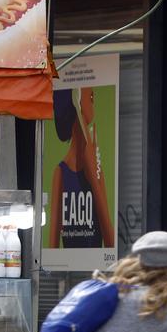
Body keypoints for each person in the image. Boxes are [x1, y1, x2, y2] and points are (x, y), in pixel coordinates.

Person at [48, 87, 115, 249]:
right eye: (91, 96)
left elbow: (111, 245)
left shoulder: (95, 165)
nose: (93, 100)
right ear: (75, 103)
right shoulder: (61, 173)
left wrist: (94, 178)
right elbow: (53, 248)